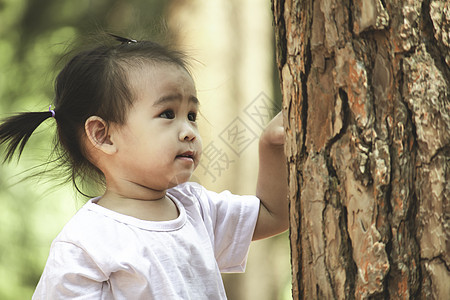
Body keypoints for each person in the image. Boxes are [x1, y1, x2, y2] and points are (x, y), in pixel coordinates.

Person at [0, 34, 288, 299]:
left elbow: (275, 215)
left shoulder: (197, 208)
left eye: (191, 114)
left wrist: (271, 145)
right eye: (167, 113)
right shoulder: (86, 243)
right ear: (103, 135)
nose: (189, 130)